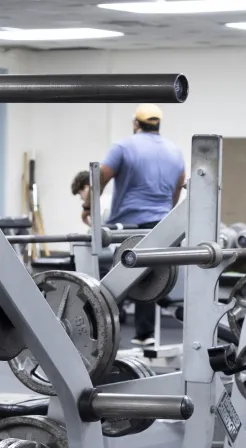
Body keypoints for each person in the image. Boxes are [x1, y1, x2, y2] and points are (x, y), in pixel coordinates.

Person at [76, 104, 186, 345]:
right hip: (160, 224)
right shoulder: (175, 152)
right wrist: (165, 216)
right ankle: (144, 334)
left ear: (136, 123)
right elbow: (177, 190)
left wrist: (88, 209)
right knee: (147, 276)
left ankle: (93, 325)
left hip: (128, 225)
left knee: (122, 278)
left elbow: (99, 179)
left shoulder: (124, 146)